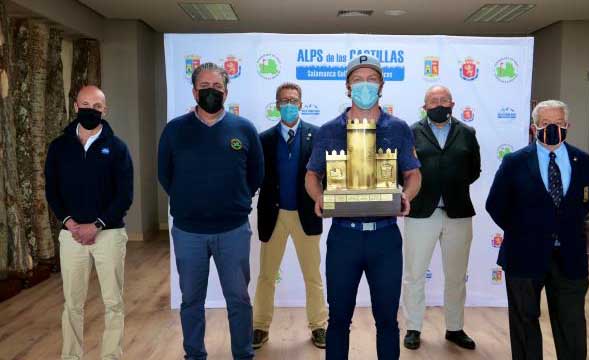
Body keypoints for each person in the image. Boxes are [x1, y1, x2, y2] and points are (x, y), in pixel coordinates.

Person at [305, 55, 422, 360]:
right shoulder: (329, 130)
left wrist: (407, 195)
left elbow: (413, 174)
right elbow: (311, 175)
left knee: (387, 320)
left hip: (385, 238)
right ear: (347, 86)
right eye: (358, 80)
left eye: (372, 79)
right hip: (344, 237)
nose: (365, 85)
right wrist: (318, 196)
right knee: (339, 319)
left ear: (381, 85)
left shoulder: (398, 128)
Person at [158, 63, 264, 360]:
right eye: (204, 86)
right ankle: (194, 354)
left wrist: (236, 199)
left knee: (239, 300)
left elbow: (256, 173)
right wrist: (190, 200)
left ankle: (243, 355)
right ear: (194, 91)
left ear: (226, 91)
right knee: (191, 300)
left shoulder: (243, 128)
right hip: (188, 231)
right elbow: (165, 174)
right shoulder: (175, 130)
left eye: (217, 87)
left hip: (232, 230)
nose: (211, 92)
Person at [486, 100, 589, 360]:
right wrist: (524, 231)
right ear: (534, 128)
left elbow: (585, 202)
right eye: (545, 124)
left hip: (569, 257)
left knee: (572, 325)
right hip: (524, 255)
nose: (552, 128)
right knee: (524, 323)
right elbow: (496, 204)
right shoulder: (515, 162)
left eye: (557, 123)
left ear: (568, 125)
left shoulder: (583, 160)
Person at [45, 85, 133, 360]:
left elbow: (125, 195)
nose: (90, 110)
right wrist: (69, 222)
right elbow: (52, 189)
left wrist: (96, 225)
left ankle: (111, 356)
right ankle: (71, 356)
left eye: (97, 106)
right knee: (72, 303)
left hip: (109, 234)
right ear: (75, 106)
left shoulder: (117, 148)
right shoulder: (59, 147)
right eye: (85, 104)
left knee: (113, 302)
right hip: (70, 235)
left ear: (104, 110)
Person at [402, 85, 481, 351]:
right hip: (421, 212)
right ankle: (413, 327)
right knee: (414, 275)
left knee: (457, 276)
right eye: (433, 100)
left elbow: (474, 170)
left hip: (458, 213)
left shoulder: (467, 133)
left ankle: (455, 328)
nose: (439, 104)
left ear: (452, 104)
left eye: (444, 100)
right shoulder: (411, 132)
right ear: (424, 106)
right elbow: (403, 169)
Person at [252, 82, 328, 349]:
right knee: (266, 276)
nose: (289, 105)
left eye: (293, 100)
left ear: (301, 104)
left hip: (306, 215)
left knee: (313, 276)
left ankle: (319, 326)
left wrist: (324, 198)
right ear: (276, 106)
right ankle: (259, 326)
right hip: (274, 216)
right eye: (284, 101)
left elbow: (326, 176)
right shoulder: (264, 139)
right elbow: (255, 177)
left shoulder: (317, 136)